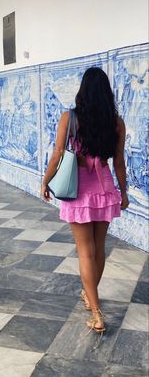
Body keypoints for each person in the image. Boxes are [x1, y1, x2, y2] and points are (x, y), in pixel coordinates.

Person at [41, 67, 129, 334]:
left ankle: (97, 312)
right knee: (98, 249)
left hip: (78, 192)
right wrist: (123, 193)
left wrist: (45, 181)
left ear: (83, 90)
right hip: (104, 191)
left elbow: (57, 154)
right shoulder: (116, 122)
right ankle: (90, 297)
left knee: (84, 252)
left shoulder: (70, 118)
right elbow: (120, 163)